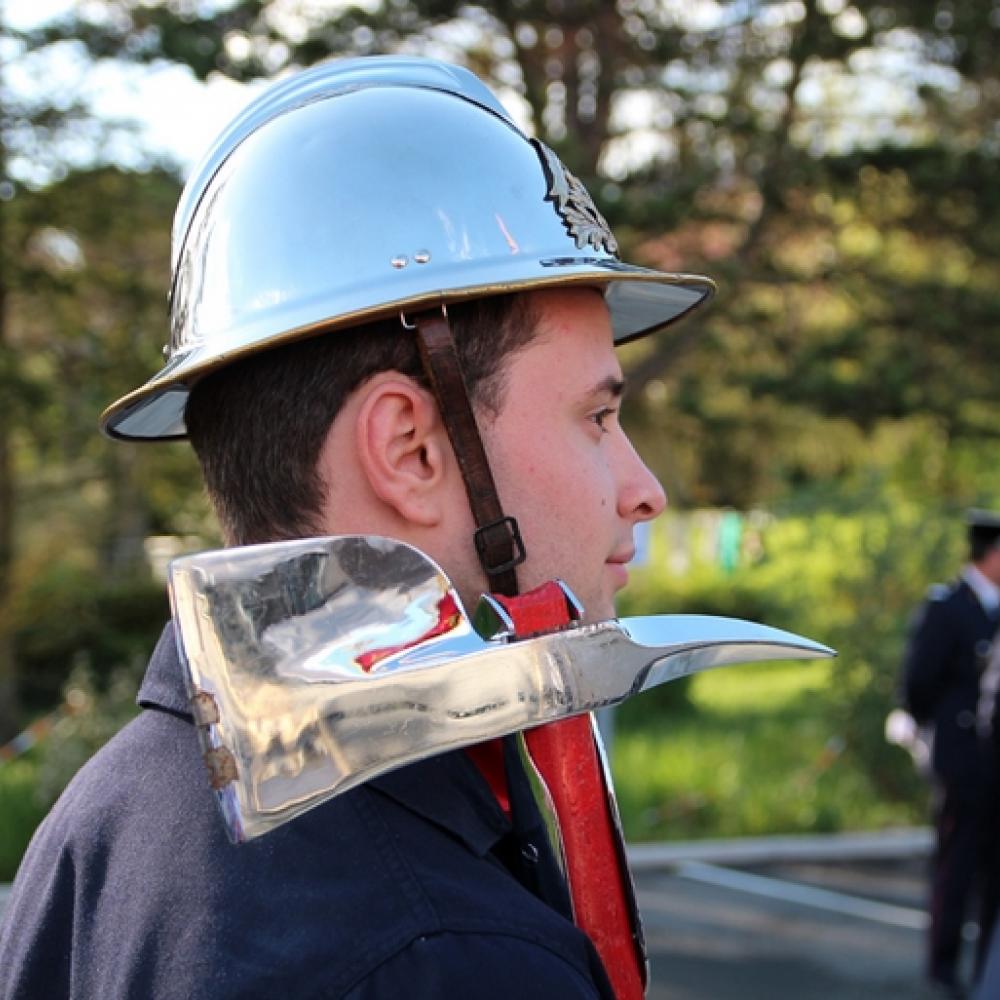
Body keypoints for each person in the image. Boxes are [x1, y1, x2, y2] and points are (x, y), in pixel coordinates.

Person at [0, 57, 715, 998]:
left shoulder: (101, 824)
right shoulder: (444, 956)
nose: (644, 490)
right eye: (597, 418)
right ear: (411, 448)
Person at [902, 509, 1000, 997]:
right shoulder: (948, 607)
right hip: (962, 762)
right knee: (956, 868)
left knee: (994, 877)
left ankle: (988, 969)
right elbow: (918, 684)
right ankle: (943, 969)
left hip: (995, 764)